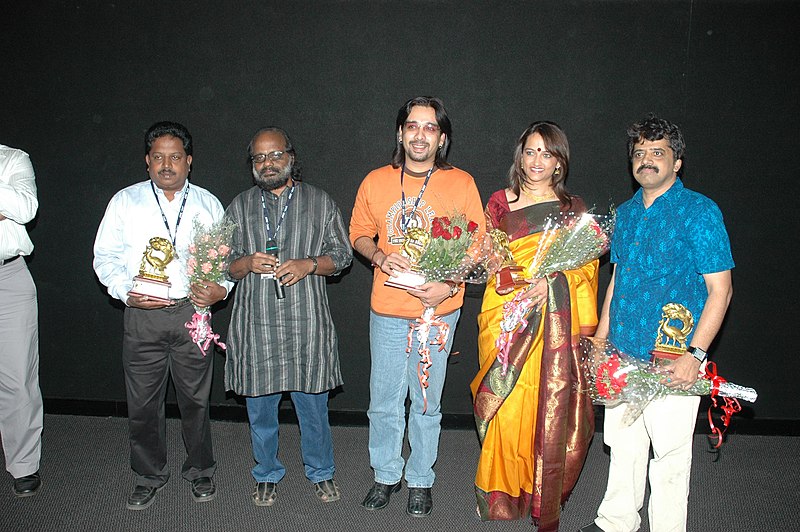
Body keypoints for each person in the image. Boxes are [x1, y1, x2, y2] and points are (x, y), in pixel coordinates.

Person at [580, 114, 734, 532]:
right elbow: (619, 279)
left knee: (669, 455)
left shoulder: (700, 212)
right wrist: (600, 338)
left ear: (677, 161)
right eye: (639, 153)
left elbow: (721, 291)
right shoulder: (626, 214)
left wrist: (694, 356)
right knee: (624, 443)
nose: (646, 160)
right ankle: (616, 521)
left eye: (657, 153)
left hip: (673, 355)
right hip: (624, 352)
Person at [350, 96, 484, 517]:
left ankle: (421, 479)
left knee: (426, 401)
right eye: (413, 126)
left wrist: (447, 284)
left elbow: (478, 246)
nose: (420, 134)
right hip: (389, 308)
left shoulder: (461, 183)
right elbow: (358, 233)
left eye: (429, 127)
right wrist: (378, 256)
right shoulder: (375, 181)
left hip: (438, 311)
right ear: (400, 133)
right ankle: (386, 474)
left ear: (441, 138)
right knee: (384, 398)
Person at [93, 121, 231, 510]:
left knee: (196, 401)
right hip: (142, 317)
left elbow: (222, 263)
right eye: (158, 157)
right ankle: (148, 474)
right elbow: (105, 257)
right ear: (147, 162)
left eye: (174, 157)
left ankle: (201, 469)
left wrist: (222, 289)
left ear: (189, 161)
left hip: (193, 315)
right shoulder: (125, 201)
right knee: (141, 403)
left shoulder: (207, 203)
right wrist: (126, 294)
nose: (166, 164)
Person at [470, 122, 599, 530]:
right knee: (506, 402)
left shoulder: (572, 210)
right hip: (505, 314)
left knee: (542, 403)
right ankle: (500, 490)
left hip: (551, 321)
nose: (537, 161)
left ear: (560, 162)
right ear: (519, 156)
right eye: (530, 151)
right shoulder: (499, 202)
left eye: (547, 153)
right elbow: (488, 254)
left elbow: (587, 267)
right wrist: (505, 274)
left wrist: (550, 285)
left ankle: (536, 488)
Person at [223, 127, 352, 507]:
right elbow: (220, 265)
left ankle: (321, 471)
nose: (267, 163)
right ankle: (266, 471)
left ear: (291, 157)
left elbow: (342, 256)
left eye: (275, 155)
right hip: (255, 323)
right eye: (259, 158)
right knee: (260, 409)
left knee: (313, 407)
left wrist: (309, 264)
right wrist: (245, 262)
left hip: (305, 323)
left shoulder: (319, 201)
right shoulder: (240, 205)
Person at [0, 144, 43, 498]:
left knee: (18, 379)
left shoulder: (13, 159)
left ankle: (24, 466)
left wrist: (8, 209)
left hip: (8, 280)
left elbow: (24, 208)